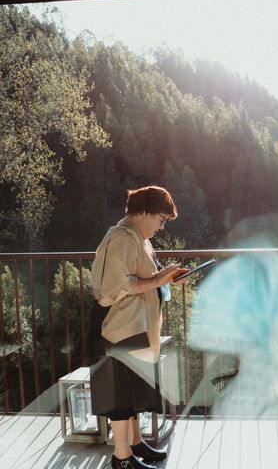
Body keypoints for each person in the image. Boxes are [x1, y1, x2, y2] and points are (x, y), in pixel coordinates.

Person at [89, 186, 188, 469]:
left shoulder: (138, 238)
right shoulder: (120, 238)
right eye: (160, 218)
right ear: (143, 212)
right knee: (120, 392)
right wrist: (158, 281)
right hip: (116, 326)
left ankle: (134, 444)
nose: (161, 225)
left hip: (133, 324)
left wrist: (166, 278)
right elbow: (111, 288)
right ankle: (122, 459)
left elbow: (145, 277)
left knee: (132, 389)